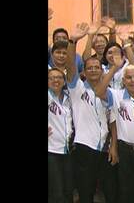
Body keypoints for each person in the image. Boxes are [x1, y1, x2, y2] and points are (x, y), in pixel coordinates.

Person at [65, 23, 119, 203]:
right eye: (90, 68)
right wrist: (73, 41)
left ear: (102, 70)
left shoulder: (109, 92)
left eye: (97, 67)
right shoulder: (77, 88)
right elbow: (70, 66)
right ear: (85, 72)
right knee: (86, 193)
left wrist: (114, 146)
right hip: (84, 148)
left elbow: (112, 120)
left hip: (105, 148)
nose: (94, 69)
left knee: (111, 193)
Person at [94, 62, 134, 203]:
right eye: (129, 77)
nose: (133, 80)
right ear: (123, 80)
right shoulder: (116, 95)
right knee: (127, 192)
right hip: (125, 150)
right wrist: (114, 68)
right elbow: (99, 92)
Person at [48, 68, 75, 203]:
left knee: (68, 189)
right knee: (56, 192)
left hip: (68, 150)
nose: (55, 80)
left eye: (59, 77)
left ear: (64, 81)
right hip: (51, 151)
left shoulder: (69, 97)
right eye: (51, 78)